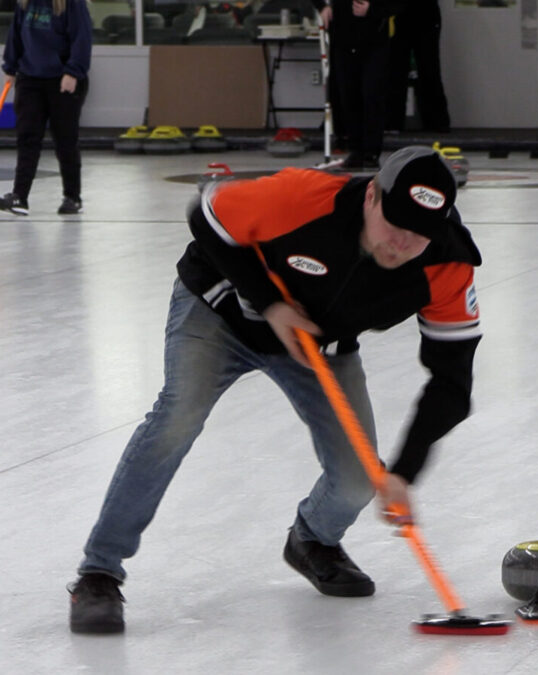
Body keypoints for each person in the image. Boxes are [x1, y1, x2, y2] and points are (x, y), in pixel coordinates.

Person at [67, 146, 482, 634]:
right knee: (176, 419)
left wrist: (405, 473)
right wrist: (270, 304)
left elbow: (453, 383)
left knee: (356, 477)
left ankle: (312, 540)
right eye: (396, 224)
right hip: (220, 312)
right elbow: (205, 212)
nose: (402, 244)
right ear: (372, 195)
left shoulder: (448, 266)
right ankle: (99, 572)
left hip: (316, 345)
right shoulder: (305, 197)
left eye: (420, 236)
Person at [0, 0, 91, 216]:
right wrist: (10, 66)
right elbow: (16, 34)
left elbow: (82, 37)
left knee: (65, 139)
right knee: (27, 138)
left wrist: (73, 72)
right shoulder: (25, 3)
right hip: (30, 78)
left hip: (63, 79)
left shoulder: (72, 4)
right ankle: (20, 196)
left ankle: (72, 196)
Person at [314, 0, 404, 170]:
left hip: (374, 37)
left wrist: (374, 10)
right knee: (348, 94)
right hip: (342, 36)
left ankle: (371, 152)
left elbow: (399, 4)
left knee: (372, 94)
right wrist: (322, 6)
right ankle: (355, 148)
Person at [385, 0, 450, 133]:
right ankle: (392, 122)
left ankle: (437, 123)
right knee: (395, 70)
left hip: (426, 13)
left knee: (429, 69)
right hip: (398, 14)